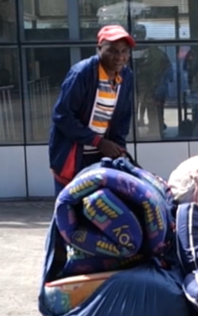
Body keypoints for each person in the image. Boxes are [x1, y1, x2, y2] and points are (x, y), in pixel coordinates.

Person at [49, 25, 135, 195]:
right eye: (112, 50)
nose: (120, 57)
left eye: (124, 51)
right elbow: (62, 116)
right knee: (69, 207)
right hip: (74, 156)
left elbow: (123, 119)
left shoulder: (126, 75)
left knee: (104, 207)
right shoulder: (82, 73)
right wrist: (98, 142)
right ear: (99, 48)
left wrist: (119, 150)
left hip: (102, 157)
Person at [132, 25, 174, 140]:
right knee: (141, 108)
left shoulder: (153, 52)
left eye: (140, 34)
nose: (138, 37)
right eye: (137, 34)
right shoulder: (134, 50)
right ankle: (153, 128)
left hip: (152, 86)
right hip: (144, 86)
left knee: (153, 108)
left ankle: (155, 128)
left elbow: (166, 68)